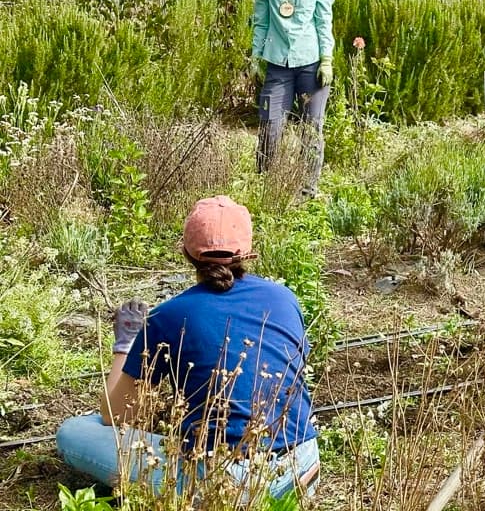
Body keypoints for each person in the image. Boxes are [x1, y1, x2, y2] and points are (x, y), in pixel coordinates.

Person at [56, 196, 319, 502]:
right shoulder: (285, 298)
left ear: (186, 252)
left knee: (74, 431)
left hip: (224, 485)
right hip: (302, 467)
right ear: (248, 251)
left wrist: (125, 343)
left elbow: (116, 416)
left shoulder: (168, 315)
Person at [251, 0, 335, 198]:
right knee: (270, 125)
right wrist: (255, 56)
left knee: (311, 128)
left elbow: (324, 23)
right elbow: (260, 23)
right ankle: (266, 186)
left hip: (311, 65)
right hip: (278, 66)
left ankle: (307, 190)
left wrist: (326, 59)